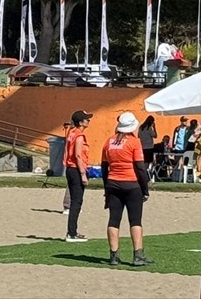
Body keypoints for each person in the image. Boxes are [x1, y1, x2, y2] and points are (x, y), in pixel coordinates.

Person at [101, 111, 153, 266]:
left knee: (113, 220)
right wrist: (145, 188)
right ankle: (138, 255)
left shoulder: (109, 142)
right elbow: (140, 167)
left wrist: (106, 188)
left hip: (112, 183)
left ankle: (114, 255)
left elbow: (104, 167)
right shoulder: (134, 142)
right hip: (131, 184)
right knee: (135, 220)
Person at [64, 109, 92, 242]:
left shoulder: (71, 133)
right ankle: (71, 233)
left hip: (70, 169)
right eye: (87, 119)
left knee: (74, 201)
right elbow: (78, 155)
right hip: (76, 169)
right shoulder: (79, 136)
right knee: (77, 202)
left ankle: (72, 231)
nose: (89, 121)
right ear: (81, 122)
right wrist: (83, 174)